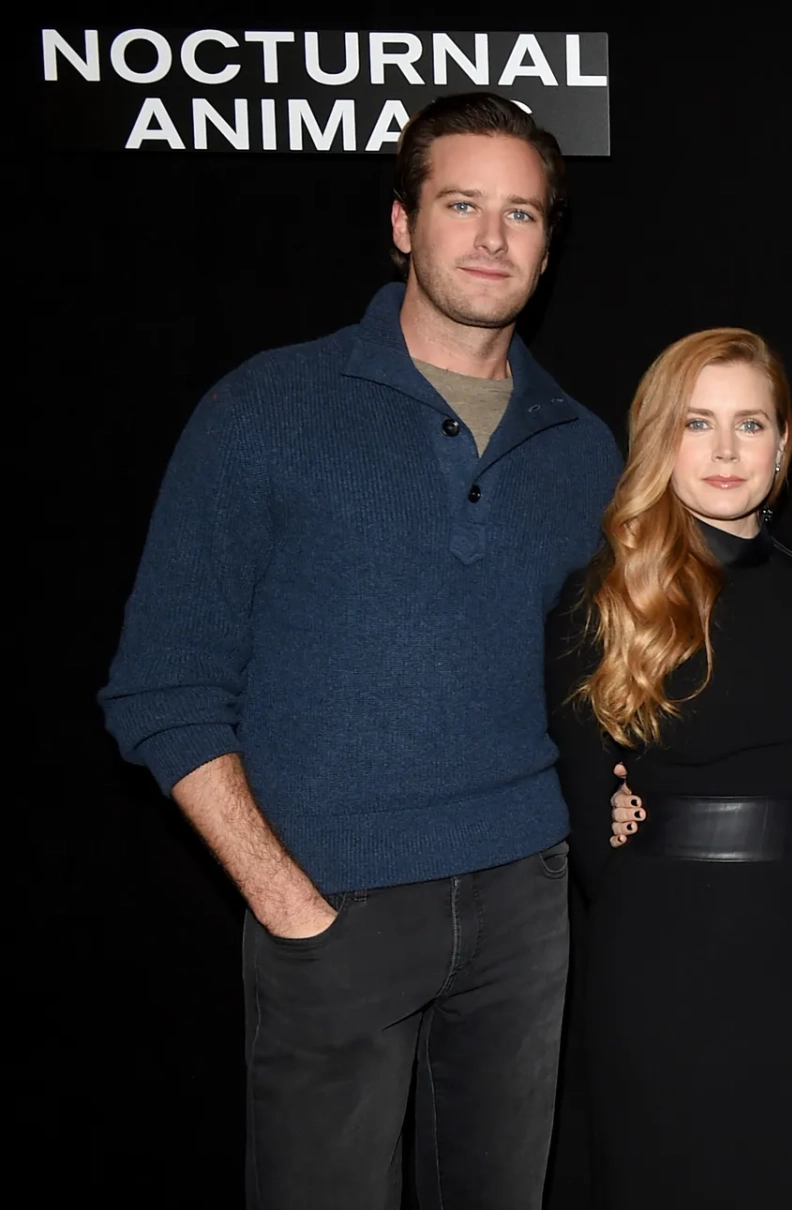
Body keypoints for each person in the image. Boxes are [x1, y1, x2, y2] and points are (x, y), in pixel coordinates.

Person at [98, 92, 617, 1209]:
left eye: (521, 214)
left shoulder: (583, 446)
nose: (491, 238)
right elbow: (161, 686)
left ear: (547, 242)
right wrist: (287, 899)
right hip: (330, 900)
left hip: (525, 905)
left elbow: (603, 667)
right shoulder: (266, 407)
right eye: (462, 204)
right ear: (401, 222)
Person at [551, 328, 792, 1208]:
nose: (726, 451)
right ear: (659, 439)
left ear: (784, 443)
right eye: (697, 423)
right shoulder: (604, 599)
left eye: (750, 424)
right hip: (662, 960)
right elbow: (585, 824)